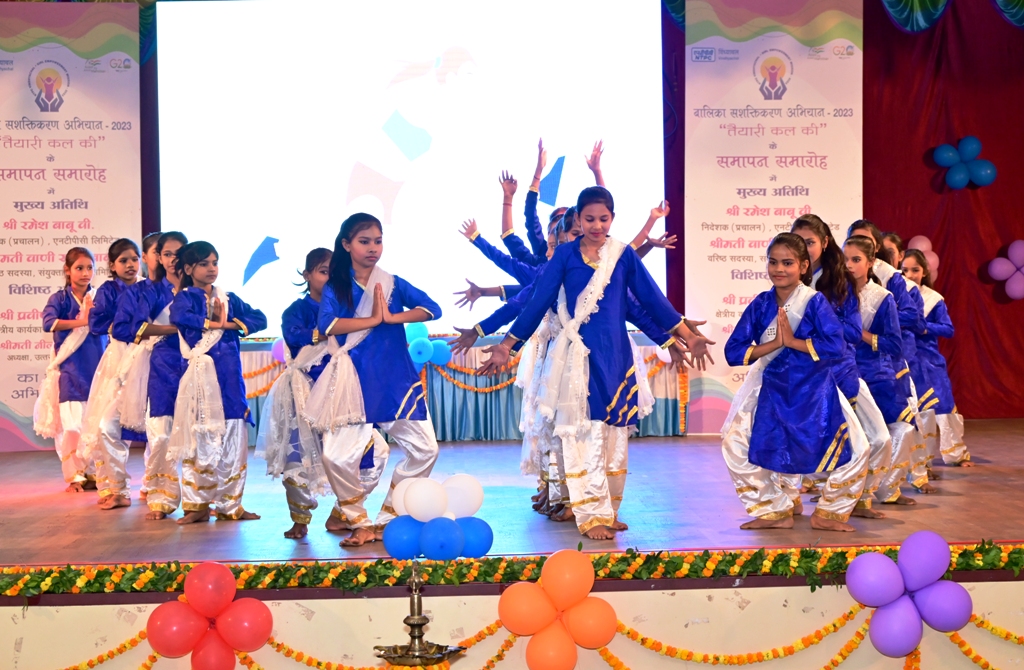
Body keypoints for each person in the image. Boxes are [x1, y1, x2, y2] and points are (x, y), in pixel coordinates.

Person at [478, 187, 710, 539]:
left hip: (616, 358)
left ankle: (609, 509)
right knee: (583, 434)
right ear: (578, 219)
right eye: (589, 219)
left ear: (612, 218)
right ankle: (591, 514)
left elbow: (650, 299)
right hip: (578, 359)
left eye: (604, 219)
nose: (597, 225)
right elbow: (538, 301)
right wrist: (508, 345)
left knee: (615, 433)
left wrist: (685, 334)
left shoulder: (622, 255)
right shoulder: (565, 255)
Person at [305, 213, 442, 548]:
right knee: (336, 457)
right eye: (364, 241)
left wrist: (392, 318)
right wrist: (373, 319)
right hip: (355, 381)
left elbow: (432, 309)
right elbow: (327, 325)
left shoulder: (392, 282)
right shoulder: (337, 286)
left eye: (378, 241)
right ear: (346, 245)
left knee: (426, 450)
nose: (373, 248)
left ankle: (389, 517)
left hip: (396, 381)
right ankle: (358, 521)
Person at [721, 233, 870, 532]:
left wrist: (793, 342)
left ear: (803, 266)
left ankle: (829, 513)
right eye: (773, 262)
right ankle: (773, 509)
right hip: (770, 387)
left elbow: (836, 345)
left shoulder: (815, 302)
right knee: (734, 445)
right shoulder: (761, 304)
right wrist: (775, 344)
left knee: (858, 449)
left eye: (787, 263)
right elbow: (733, 352)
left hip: (815, 389)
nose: (779, 269)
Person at [256, 248, 390, 539]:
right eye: (323, 271)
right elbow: (295, 335)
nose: (330, 278)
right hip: (305, 393)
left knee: (374, 452)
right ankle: (300, 519)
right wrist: (330, 329)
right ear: (307, 275)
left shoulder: (348, 307)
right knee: (299, 459)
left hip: (342, 394)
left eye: (335, 272)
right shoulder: (297, 310)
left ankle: (343, 513)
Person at [790, 216, 891, 519]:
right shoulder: (789, 280)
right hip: (803, 373)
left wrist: (822, 324)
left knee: (879, 438)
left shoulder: (838, 281)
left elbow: (853, 331)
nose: (804, 248)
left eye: (810, 242)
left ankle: (859, 497)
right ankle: (789, 501)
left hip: (842, 370)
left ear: (824, 243)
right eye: (799, 242)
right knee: (791, 437)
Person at [167, 241, 266, 524]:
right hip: (201, 382)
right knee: (200, 442)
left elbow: (259, 318)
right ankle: (197, 506)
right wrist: (213, 323)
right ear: (188, 269)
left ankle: (230, 506)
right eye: (204, 264)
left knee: (234, 442)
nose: (212, 269)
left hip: (230, 382)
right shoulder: (185, 299)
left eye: (215, 262)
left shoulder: (229, 298)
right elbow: (180, 317)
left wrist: (228, 325)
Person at [847, 220, 933, 491]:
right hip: (846, 367)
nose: (851, 262)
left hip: (884, 365)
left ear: (875, 250)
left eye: (866, 242)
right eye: (854, 240)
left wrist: (878, 322)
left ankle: (891, 486)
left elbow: (913, 319)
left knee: (901, 425)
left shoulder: (890, 281)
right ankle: (847, 490)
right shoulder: (835, 284)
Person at [112, 231, 189, 518]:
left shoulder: (200, 290)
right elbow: (129, 328)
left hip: (196, 365)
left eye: (179, 254)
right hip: (161, 367)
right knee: (161, 432)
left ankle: (201, 500)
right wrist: (175, 329)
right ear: (157, 257)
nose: (173, 260)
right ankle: (161, 498)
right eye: (166, 254)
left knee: (199, 434)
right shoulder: (146, 292)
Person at [35, 247, 104, 492]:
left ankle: (94, 473)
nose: (85, 273)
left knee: (96, 425)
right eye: (79, 268)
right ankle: (75, 476)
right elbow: (49, 323)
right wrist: (84, 320)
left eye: (90, 268)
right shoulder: (60, 299)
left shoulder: (100, 297)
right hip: (71, 370)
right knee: (73, 426)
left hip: (98, 368)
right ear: (67, 270)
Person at [81, 238, 144, 510]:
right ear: (112, 265)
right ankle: (113, 487)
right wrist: (125, 322)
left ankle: (155, 487)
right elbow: (96, 324)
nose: (130, 265)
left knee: (156, 429)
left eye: (134, 259)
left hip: (146, 358)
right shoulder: (108, 290)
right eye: (123, 260)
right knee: (106, 425)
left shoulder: (149, 288)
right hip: (117, 359)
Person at [902, 249, 972, 467]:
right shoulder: (894, 297)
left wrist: (923, 328)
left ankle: (955, 453)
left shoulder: (933, 299)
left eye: (915, 270)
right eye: (905, 270)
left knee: (944, 404)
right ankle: (920, 459)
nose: (910, 275)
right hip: (905, 360)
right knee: (917, 409)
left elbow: (948, 329)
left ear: (924, 272)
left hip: (929, 360)